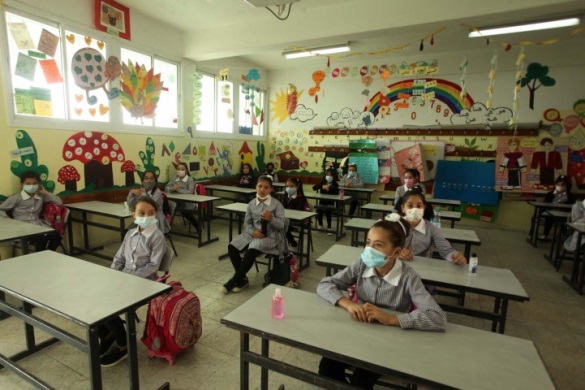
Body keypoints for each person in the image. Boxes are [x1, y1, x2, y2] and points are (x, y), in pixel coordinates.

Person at [316, 216, 446, 388]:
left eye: (378, 245)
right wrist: (348, 303)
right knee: (326, 368)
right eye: (368, 242)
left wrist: (391, 319)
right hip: (356, 334)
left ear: (397, 252)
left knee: (359, 381)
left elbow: (438, 318)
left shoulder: (409, 277)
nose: (370, 249)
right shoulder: (362, 264)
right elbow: (325, 284)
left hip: (388, 344)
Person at [99, 196, 167, 367]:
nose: (146, 216)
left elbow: (153, 266)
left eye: (151, 213)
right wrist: (114, 274)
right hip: (123, 278)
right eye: (141, 213)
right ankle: (108, 335)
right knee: (94, 295)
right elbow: (119, 257)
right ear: (133, 215)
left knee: (109, 305)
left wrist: (129, 279)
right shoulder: (130, 233)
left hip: (144, 283)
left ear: (156, 214)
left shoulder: (158, 237)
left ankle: (123, 346)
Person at [222, 175, 286, 293]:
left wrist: (271, 218)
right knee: (232, 246)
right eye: (260, 186)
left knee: (251, 250)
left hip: (271, 237)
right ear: (256, 187)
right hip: (253, 234)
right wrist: (253, 232)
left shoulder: (277, 205)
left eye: (266, 187)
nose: (262, 189)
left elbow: (282, 225)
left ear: (270, 189)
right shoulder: (251, 203)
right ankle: (242, 279)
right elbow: (246, 224)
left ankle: (234, 281)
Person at [398, 188, 466, 264]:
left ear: (424, 207)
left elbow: (446, 250)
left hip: (423, 268)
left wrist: (455, 255)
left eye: (419, 206)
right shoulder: (394, 226)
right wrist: (395, 252)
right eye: (410, 206)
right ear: (403, 208)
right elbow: (383, 249)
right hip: (397, 267)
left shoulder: (432, 229)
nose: (415, 209)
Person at [0, 171, 63, 252]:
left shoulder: (41, 196)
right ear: (21, 184)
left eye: (34, 183)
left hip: (38, 225)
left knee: (57, 237)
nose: (31, 186)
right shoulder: (16, 198)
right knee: (41, 240)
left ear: (39, 184)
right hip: (22, 227)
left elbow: (59, 202)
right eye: (28, 183)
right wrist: (6, 217)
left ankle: (47, 255)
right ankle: (39, 260)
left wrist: (46, 192)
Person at [165, 162, 200, 235]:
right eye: (178, 169)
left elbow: (190, 192)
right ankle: (165, 228)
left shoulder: (190, 180)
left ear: (186, 170)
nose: (180, 171)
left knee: (184, 210)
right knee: (166, 206)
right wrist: (172, 188)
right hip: (176, 201)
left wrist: (178, 189)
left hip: (188, 203)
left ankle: (197, 226)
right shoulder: (174, 178)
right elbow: (166, 188)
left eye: (182, 169)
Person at [539, 175, 573, 240]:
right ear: (555, 185)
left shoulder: (569, 196)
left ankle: (563, 236)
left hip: (563, 214)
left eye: (563, 184)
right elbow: (545, 204)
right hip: (551, 212)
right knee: (549, 218)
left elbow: (571, 207)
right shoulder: (550, 194)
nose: (560, 186)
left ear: (567, 186)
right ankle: (545, 234)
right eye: (558, 184)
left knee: (565, 220)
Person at [282, 177, 309, 247]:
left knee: (282, 228)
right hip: (288, 220)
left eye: (291, 186)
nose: (289, 188)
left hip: (298, 221)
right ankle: (273, 248)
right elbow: (282, 208)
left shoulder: (301, 198)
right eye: (287, 186)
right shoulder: (285, 196)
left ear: (297, 187)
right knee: (274, 226)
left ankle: (292, 242)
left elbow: (298, 212)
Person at [313, 168, 339, 235]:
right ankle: (320, 224)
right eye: (327, 175)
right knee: (319, 210)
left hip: (330, 203)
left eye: (331, 175)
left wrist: (329, 188)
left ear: (334, 176)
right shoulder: (323, 182)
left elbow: (336, 193)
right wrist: (321, 187)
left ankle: (329, 227)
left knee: (328, 211)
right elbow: (314, 187)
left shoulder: (335, 184)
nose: (329, 176)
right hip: (322, 202)